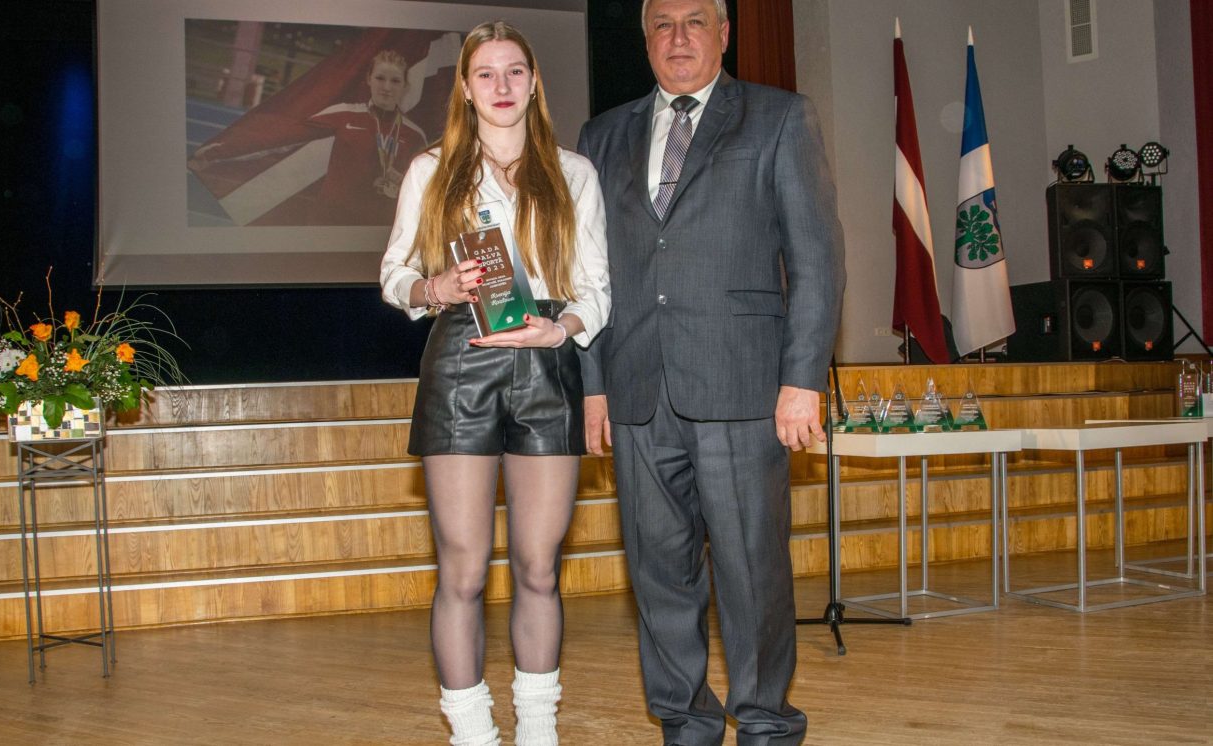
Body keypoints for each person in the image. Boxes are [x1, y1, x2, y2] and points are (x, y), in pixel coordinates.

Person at [576, 0, 845, 743]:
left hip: (745, 389)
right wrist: (593, 385)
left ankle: (766, 724)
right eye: (662, 24)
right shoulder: (602, 136)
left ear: (724, 34)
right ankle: (685, 724)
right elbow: (584, 274)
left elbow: (817, 260)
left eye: (695, 21)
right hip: (636, 391)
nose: (678, 37)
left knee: (752, 572)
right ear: (645, 40)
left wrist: (803, 379)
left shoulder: (779, 118)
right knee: (659, 575)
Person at [380, 21, 610, 746]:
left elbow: (597, 289)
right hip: (462, 361)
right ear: (465, 87)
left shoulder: (574, 172)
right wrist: (436, 287)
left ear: (534, 83)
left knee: (540, 568)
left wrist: (561, 329)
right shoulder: (431, 169)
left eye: (515, 71)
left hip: (547, 361)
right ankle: (472, 734)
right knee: (464, 572)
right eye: (486, 73)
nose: (502, 85)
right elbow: (393, 275)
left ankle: (538, 730)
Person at [189, 49, 427, 226]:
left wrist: (402, 180)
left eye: (395, 80)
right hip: (329, 222)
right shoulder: (344, 114)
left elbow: (427, 189)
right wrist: (216, 152)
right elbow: (281, 136)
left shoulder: (415, 135)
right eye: (380, 78)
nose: (387, 87)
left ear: (405, 86)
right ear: (368, 79)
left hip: (377, 230)